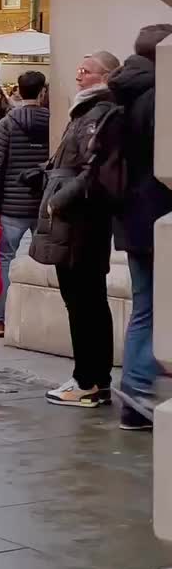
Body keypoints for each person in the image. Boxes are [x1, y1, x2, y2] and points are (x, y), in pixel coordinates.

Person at [31, 51, 123, 408]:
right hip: (76, 218)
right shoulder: (85, 111)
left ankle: (87, 380)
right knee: (85, 302)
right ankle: (93, 378)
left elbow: (93, 169)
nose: (79, 75)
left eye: (86, 70)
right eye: (78, 68)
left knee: (84, 303)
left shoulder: (100, 113)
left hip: (81, 221)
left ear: (104, 76)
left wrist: (60, 199)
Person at [109, 24, 172, 429]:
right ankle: (135, 388)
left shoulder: (124, 91)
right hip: (158, 216)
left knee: (145, 307)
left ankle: (134, 395)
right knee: (151, 308)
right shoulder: (157, 96)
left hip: (132, 219)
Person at [0, 71, 49, 338]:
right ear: (42, 91)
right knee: (46, 262)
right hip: (43, 202)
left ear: (19, 92)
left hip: (11, 205)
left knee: (3, 259)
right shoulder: (54, 123)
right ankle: (40, 320)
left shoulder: (7, 125)